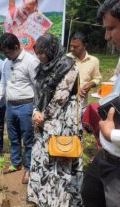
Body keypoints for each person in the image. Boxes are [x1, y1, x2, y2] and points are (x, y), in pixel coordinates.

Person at [27, 34, 83, 206]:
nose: (40, 56)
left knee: (59, 157)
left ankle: (59, 200)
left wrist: (43, 115)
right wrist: (36, 111)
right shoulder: (42, 68)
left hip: (62, 120)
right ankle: (42, 196)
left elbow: (61, 97)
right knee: (42, 158)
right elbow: (37, 92)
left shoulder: (68, 66)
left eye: (43, 52)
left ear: (52, 50)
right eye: (38, 52)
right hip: (42, 121)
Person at [81, 1, 120, 206]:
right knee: (90, 190)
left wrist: (111, 134)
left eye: (111, 28)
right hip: (107, 154)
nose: (107, 36)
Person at [0, 33, 39, 184]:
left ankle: (29, 168)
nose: (6, 55)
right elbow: (3, 84)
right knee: (13, 137)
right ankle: (16, 162)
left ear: (17, 47)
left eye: (8, 52)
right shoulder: (6, 62)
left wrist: (37, 109)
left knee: (29, 140)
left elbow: (38, 87)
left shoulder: (31, 61)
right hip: (10, 106)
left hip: (27, 105)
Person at [68, 32, 102, 109]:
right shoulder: (66, 59)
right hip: (66, 104)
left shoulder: (94, 61)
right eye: (71, 46)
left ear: (84, 46)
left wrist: (91, 84)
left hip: (82, 105)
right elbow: (59, 80)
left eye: (76, 47)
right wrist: (75, 88)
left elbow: (97, 78)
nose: (72, 49)